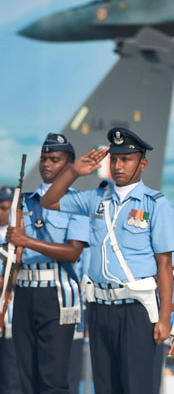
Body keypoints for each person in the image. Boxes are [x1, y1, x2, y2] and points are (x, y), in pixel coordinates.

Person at [40, 128, 174, 394]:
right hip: (100, 308)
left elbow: (165, 265)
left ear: (142, 163)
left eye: (126, 159)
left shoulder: (155, 204)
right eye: (114, 159)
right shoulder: (96, 198)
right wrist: (74, 172)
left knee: (136, 385)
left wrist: (164, 319)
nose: (118, 165)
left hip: (136, 309)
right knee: (105, 387)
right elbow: (48, 200)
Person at [8, 134, 89, 394]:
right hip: (24, 291)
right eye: (43, 158)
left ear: (68, 166)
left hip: (56, 293)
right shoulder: (24, 201)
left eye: (54, 159)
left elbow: (72, 252)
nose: (46, 164)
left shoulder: (77, 204)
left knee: (52, 378)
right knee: (27, 377)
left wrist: (25, 240)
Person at [0, 185, 21, 394]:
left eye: (6, 208)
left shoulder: (20, 237)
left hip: (11, 317)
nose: (2, 212)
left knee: (11, 380)